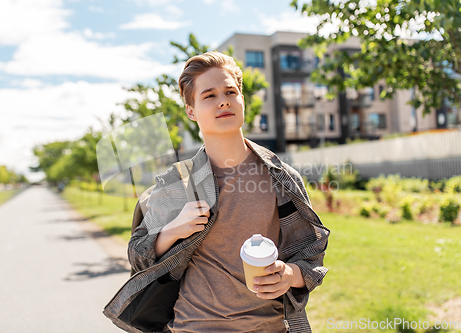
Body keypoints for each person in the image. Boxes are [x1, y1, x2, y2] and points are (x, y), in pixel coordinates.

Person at [127, 51, 330, 333]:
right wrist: (172, 230)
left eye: (231, 92)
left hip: (270, 327)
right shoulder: (177, 182)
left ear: (242, 100)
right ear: (191, 111)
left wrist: (290, 275)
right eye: (209, 95)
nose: (223, 100)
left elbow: (312, 253)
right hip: (193, 326)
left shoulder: (282, 178)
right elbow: (137, 255)